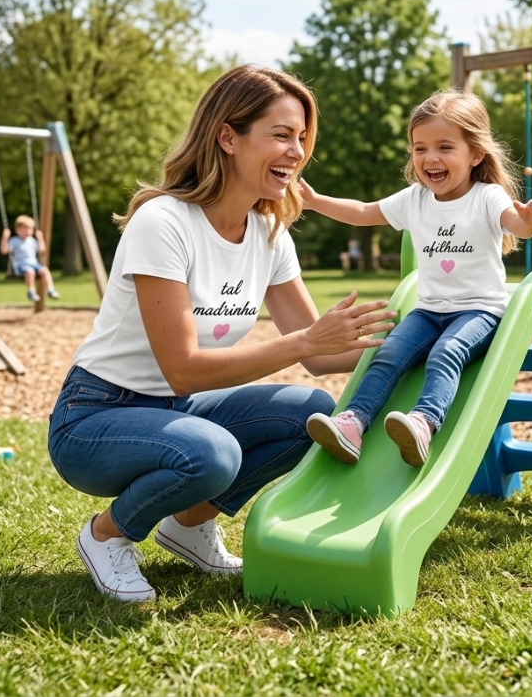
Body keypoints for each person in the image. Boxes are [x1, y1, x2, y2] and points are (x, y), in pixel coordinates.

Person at [47, 66, 396, 603]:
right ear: (227, 137)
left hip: (180, 409)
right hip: (94, 416)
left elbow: (325, 358)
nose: (297, 151)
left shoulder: (269, 233)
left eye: (301, 138)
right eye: (280, 135)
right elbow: (182, 368)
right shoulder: (163, 222)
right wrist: (305, 343)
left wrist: (422, 345)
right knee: (212, 455)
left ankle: (187, 526)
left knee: (311, 415)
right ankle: (107, 535)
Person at [300, 88, 532, 468]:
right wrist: (316, 201)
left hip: (480, 312)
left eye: (445, 147)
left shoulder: (487, 197)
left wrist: (529, 224)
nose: (430, 158)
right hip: (429, 311)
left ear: (476, 154)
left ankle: (423, 422)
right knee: (387, 355)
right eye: (420, 148)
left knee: (446, 352)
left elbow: (514, 223)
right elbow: (364, 211)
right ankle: (353, 424)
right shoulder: (415, 199)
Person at [0, 215, 59, 302]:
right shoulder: (14, 240)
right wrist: (4, 238)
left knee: (45, 270)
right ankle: (31, 291)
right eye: (25, 229)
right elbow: (4, 250)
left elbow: (42, 250)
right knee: (30, 271)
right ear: (17, 230)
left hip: (34, 263)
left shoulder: (32, 240)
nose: (27, 231)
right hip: (21, 265)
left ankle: (50, 290)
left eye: (30, 229)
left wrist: (40, 238)